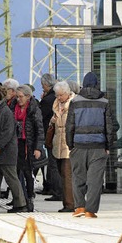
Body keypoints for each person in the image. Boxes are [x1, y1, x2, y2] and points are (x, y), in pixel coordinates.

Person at [66, 72, 114, 219]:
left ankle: (79, 206)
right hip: (98, 146)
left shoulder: (75, 102)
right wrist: (108, 146)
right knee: (95, 180)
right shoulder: (104, 102)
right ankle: (90, 210)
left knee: (78, 177)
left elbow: (70, 126)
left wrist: (70, 145)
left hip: (78, 145)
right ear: (96, 84)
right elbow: (109, 127)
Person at [12, 84, 44, 211]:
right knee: (16, 172)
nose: (18, 99)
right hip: (16, 144)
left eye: (21, 97)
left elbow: (39, 130)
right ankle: (20, 200)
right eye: (17, 97)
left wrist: (38, 148)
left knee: (27, 173)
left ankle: (29, 199)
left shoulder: (33, 109)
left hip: (28, 146)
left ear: (28, 97)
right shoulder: (13, 107)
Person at [50, 81, 76, 212]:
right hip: (58, 142)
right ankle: (68, 202)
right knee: (62, 173)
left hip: (69, 144)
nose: (58, 98)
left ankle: (70, 204)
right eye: (57, 95)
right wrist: (52, 121)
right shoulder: (56, 104)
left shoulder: (73, 104)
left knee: (67, 175)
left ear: (67, 93)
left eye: (60, 95)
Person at [38, 73, 60, 199]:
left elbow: (41, 117)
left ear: (46, 84)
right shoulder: (55, 97)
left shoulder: (48, 100)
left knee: (53, 163)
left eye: (43, 85)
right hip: (57, 134)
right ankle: (54, 188)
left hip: (51, 134)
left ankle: (55, 190)